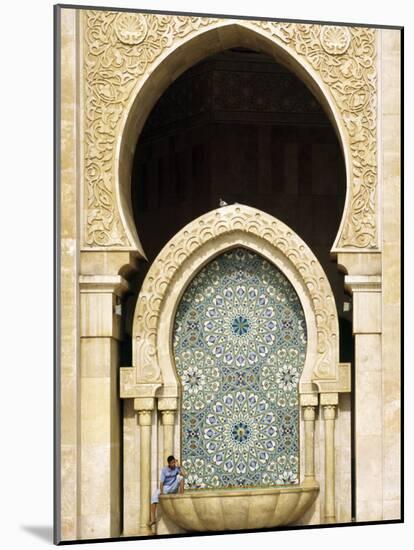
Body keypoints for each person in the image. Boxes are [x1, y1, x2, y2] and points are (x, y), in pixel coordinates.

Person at [149, 455, 187, 528]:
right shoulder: (164, 470)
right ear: (169, 463)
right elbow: (161, 483)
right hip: (165, 487)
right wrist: (162, 492)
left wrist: (179, 466)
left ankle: (182, 496)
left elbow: (184, 474)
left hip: (173, 486)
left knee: (181, 477)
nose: (173, 464)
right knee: (153, 497)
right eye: (172, 463)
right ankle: (153, 519)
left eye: (174, 463)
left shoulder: (176, 468)